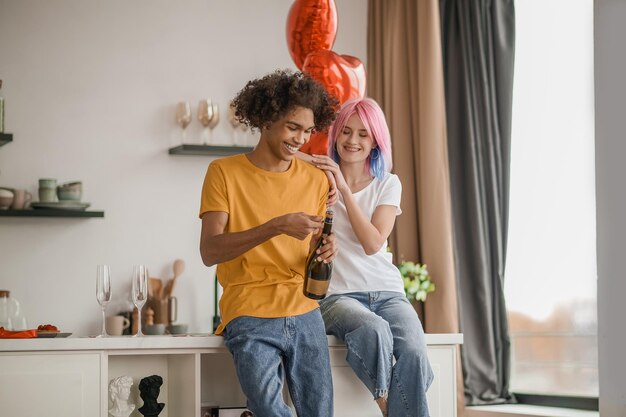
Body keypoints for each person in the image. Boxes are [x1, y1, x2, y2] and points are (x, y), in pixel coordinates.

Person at [199, 69, 339, 417]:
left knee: (320, 412)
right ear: (265, 120)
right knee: (267, 407)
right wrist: (275, 226)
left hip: (305, 309)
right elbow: (209, 250)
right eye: (293, 127)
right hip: (249, 309)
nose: (301, 139)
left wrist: (325, 249)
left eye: (308, 131)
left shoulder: (316, 180)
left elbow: (309, 252)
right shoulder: (224, 172)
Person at [310, 98, 434, 417]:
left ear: (376, 139)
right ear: (335, 135)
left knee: (416, 352)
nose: (353, 141)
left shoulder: (387, 184)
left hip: (388, 292)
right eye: (347, 132)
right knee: (373, 329)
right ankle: (388, 407)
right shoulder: (316, 184)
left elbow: (373, 243)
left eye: (364, 134)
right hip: (338, 297)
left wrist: (346, 192)